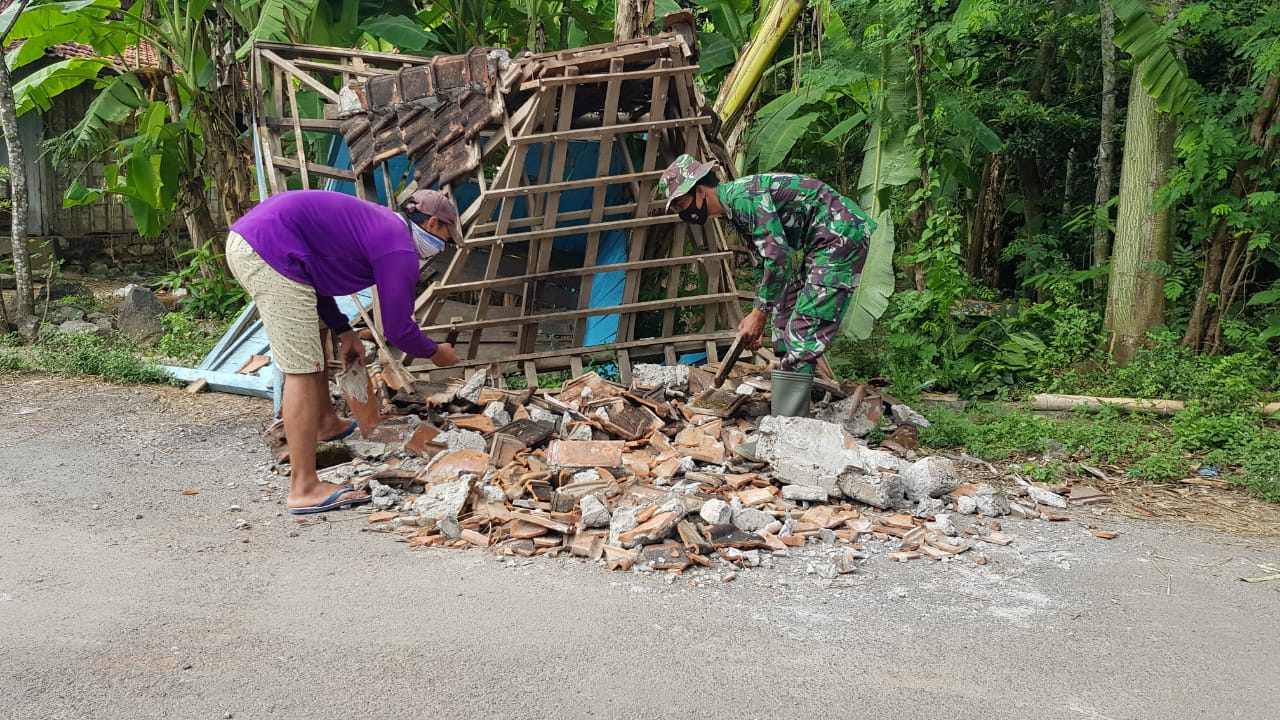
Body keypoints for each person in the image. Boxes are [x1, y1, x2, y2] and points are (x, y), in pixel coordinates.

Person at [226, 188, 460, 514]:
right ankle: (304, 487)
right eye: (447, 239)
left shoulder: (383, 226)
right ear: (433, 223)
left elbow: (313, 273)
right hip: (267, 250)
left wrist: (343, 330)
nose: (444, 248)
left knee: (312, 347)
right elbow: (397, 328)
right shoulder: (400, 248)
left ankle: (325, 422)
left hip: (267, 243)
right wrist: (436, 352)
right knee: (302, 372)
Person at [658, 154, 875, 418]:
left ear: (700, 192)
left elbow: (779, 258)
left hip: (839, 238)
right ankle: (799, 395)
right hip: (819, 243)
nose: (682, 213)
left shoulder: (743, 198)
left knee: (804, 329)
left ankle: (789, 427)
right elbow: (766, 264)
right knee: (783, 319)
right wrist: (758, 316)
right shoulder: (735, 207)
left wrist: (759, 314)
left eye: (681, 204)